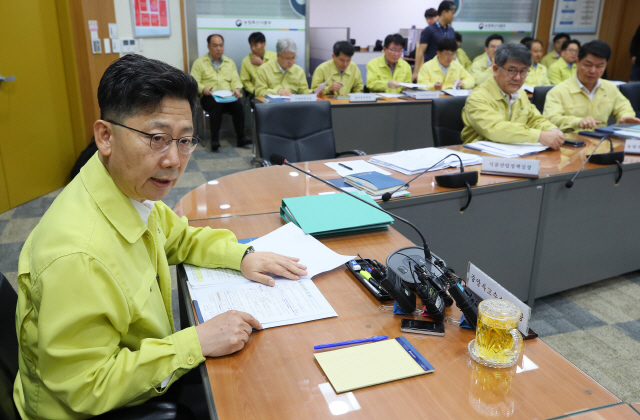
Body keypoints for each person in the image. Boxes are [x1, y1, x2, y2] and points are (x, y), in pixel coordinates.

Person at [12, 54, 308, 420]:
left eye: (185, 141)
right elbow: (84, 386)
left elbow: (178, 237)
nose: (173, 160)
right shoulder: (79, 255)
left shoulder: (125, 187)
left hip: (138, 369)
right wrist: (195, 341)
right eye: (157, 138)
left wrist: (243, 256)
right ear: (105, 136)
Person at [461, 43, 564, 149]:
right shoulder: (478, 97)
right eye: (511, 71)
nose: (518, 78)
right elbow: (495, 129)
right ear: (496, 70)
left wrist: (552, 130)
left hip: (515, 154)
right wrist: (539, 136)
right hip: (480, 157)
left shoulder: (521, 94)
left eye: (523, 71)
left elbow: (535, 120)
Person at [544, 40, 639, 133]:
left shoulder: (610, 88)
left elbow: (624, 108)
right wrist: (577, 121)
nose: (593, 71)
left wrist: (625, 117)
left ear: (605, 65)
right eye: (587, 65)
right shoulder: (559, 91)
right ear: (577, 62)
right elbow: (551, 118)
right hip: (570, 143)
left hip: (602, 141)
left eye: (599, 66)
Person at [190, 34, 251, 152]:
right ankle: (214, 140)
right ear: (208, 46)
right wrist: (203, 88)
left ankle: (241, 137)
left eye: (221, 45)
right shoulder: (200, 62)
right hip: (210, 96)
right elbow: (194, 81)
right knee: (216, 106)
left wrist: (237, 88)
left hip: (228, 97)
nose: (219, 48)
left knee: (238, 106)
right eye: (215, 46)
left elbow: (235, 79)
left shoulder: (229, 62)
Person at [412, 1, 457, 82]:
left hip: (448, 72)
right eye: (452, 13)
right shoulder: (429, 30)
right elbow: (420, 52)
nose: (454, 16)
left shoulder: (451, 31)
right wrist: (415, 72)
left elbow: (454, 53)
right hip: (432, 72)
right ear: (444, 12)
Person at [240, 32, 277, 96]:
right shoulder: (246, 60)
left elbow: (279, 75)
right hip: (257, 94)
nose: (253, 49)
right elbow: (245, 81)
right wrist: (254, 91)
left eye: (256, 45)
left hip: (275, 92)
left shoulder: (274, 57)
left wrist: (262, 64)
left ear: (264, 44)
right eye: (251, 46)